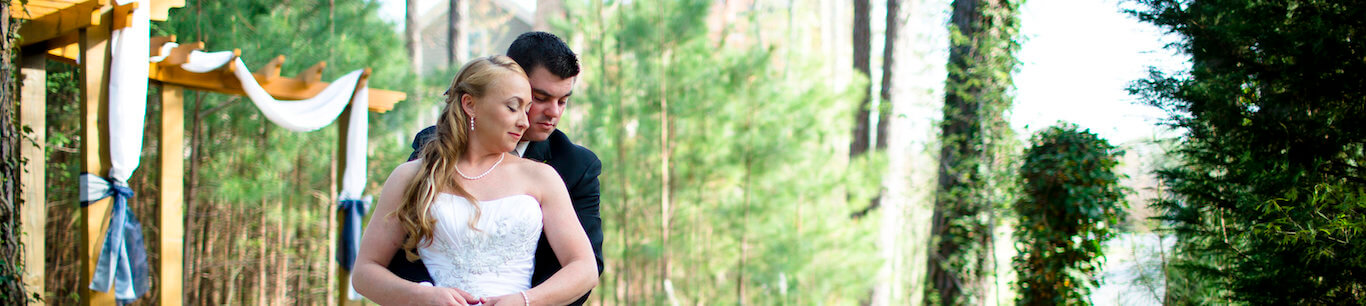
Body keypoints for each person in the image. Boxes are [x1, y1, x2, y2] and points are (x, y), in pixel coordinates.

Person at [352, 55, 598, 305]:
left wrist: (525, 300)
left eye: (526, 109)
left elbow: (585, 268)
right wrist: (423, 296)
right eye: (513, 107)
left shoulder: (541, 177)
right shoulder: (411, 176)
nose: (524, 122)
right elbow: (364, 273)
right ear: (470, 104)